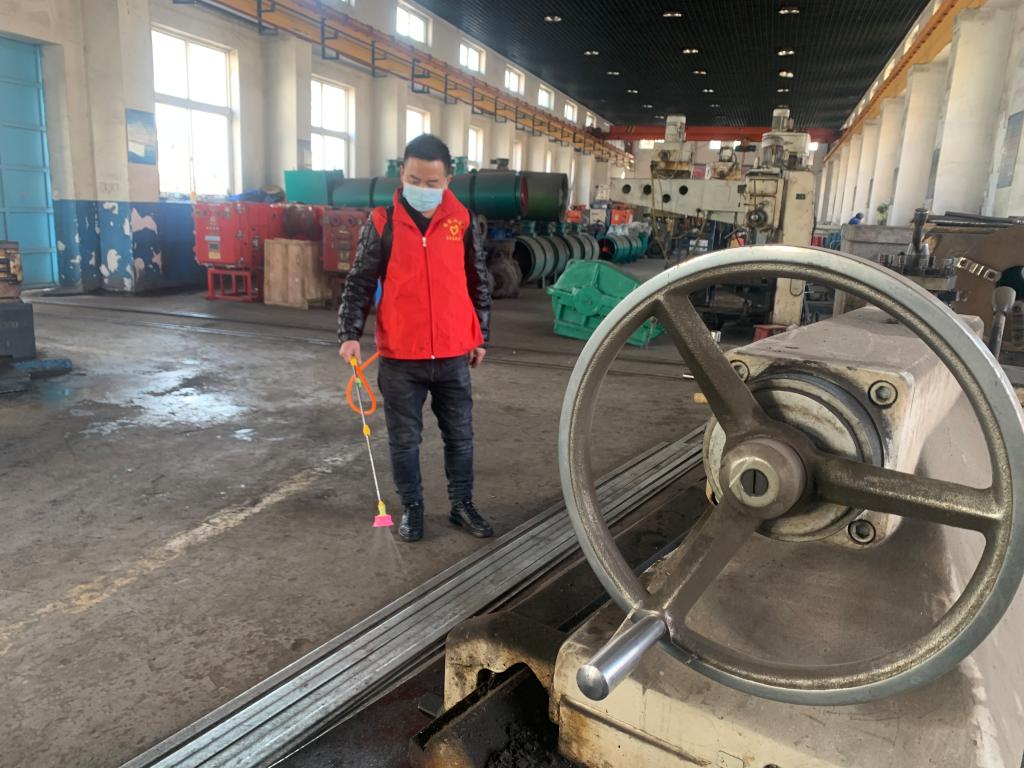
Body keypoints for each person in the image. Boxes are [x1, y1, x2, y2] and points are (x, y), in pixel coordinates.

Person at [338, 134, 492, 543]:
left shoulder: (463, 222)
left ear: (448, 180)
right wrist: (350, 333)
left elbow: (477, 280)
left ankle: (462, 505)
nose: (422, 189)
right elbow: (360, 281)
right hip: (400, 357)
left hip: (453, 354)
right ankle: (413, 508)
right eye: (414, 180)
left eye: (432, 183)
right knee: (405, 441)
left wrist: (480, 336)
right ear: (402, 175)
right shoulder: (382, 222)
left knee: (460, 437)